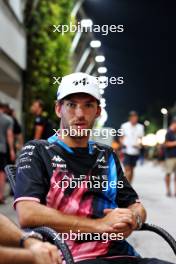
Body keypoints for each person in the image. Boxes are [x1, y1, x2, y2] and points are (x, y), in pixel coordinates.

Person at [14, 72, 173, 264]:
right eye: (71, 105)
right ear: (58, 109)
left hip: (122, 255)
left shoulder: (106, 154)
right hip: (72, 257)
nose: (80, 114)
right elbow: (28, 213)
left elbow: (136, 205)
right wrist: (99, 226)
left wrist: (133, 219)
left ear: (98, 111)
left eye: (88, 105)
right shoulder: (38, 150)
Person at [120, 111, 144, 183]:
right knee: (127, 169)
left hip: (135, 151)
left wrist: (140, 144)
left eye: (135, 117)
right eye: (133, 117)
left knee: (132, 169)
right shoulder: (124, 126)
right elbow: (121, 137)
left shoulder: (140, 127)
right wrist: (123, 144)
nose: (134, 119)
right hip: (126, 150)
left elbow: (141, 138)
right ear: (130, 118)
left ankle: (129, 185)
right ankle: (126, 187)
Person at [0, 102, 15, 203]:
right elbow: (9, 136)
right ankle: (0, 196)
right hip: (2, 149)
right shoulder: (8, 119)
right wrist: (11, 150)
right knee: (1, 172)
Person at [164, 117, 176, 196]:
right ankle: (168, 190)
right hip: (170, 157)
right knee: (168, 173)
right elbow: (166, 144)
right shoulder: (168, 132)